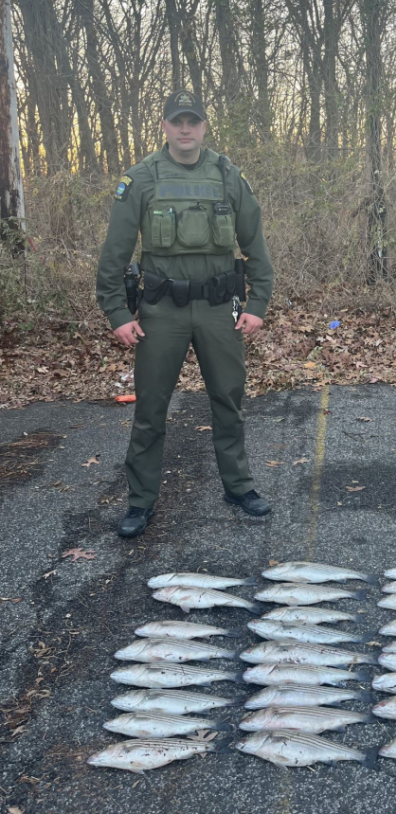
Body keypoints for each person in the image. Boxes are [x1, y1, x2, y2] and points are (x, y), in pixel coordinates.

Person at [96, 90, 274, 537]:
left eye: (192, 121)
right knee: (152, 410)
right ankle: (140, 502)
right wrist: (118, 312)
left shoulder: (228, 175)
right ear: (164, 126)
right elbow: (114, 254)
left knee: (228, 402)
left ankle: (238, 487)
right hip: (161, 311)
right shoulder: (141, 179)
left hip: (219, 310)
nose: (185, 129)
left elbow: (255, 244)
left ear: (204, 126)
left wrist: (257, 304)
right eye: (177, 121)